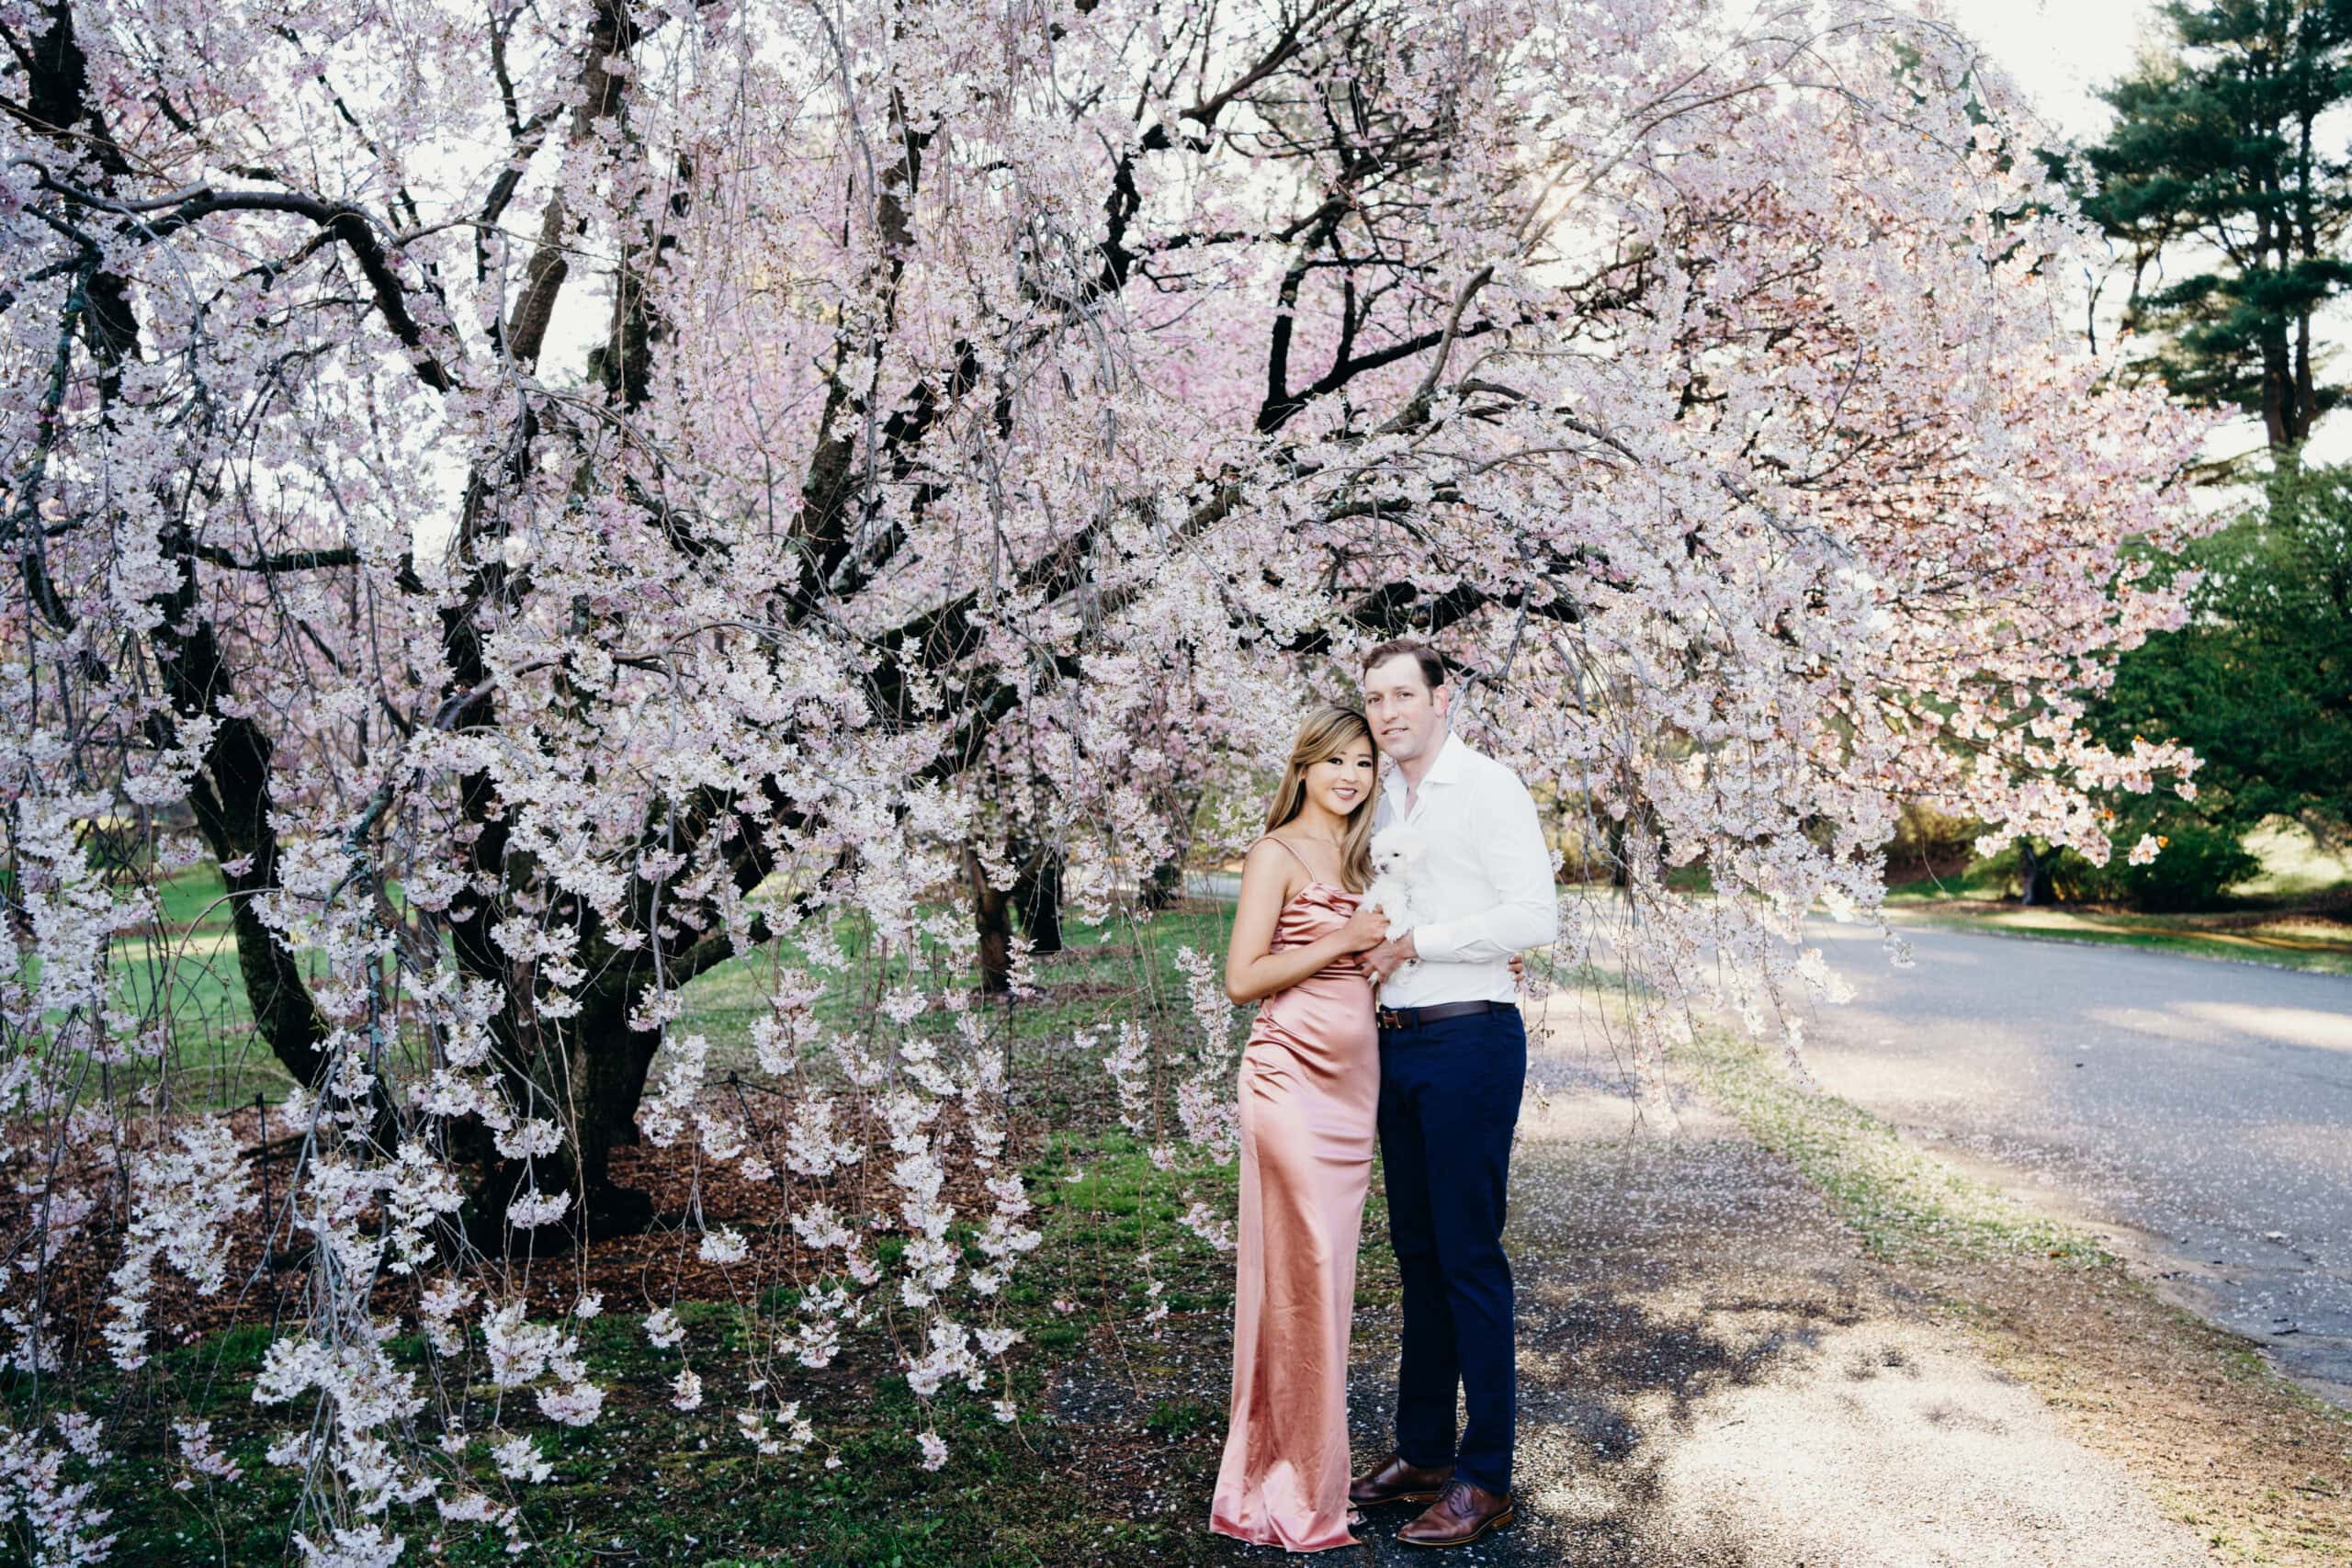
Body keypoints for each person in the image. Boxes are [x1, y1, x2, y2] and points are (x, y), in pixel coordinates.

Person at [1348, 639, 1557, 1549]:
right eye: (1374, 698)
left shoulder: (1488, 787)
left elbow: (1531, 917)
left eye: (1404, 694)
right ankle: (1424, 1449)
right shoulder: (1378, 797)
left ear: (1443, 697)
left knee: (1469, 1255)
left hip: (1469, 1039)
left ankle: (1486, 1476)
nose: (1389, 711)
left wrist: (1419, 943)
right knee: (1418, 1253)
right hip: (1393, 1047)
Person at [1210, 704, 1393, 1552]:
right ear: (1305, 767)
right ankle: (1275, 1485)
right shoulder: (1276, 852)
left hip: (1354, 1095)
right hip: (1288, 1083)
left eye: (1364, 762)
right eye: (1337, 761)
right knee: (1302, 1274)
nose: (1352, 775)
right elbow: (1243, 977)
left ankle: (1311, 1471)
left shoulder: (1367, 856)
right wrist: (1345, 939)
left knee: (1330, 1285)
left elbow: (1376, 962)